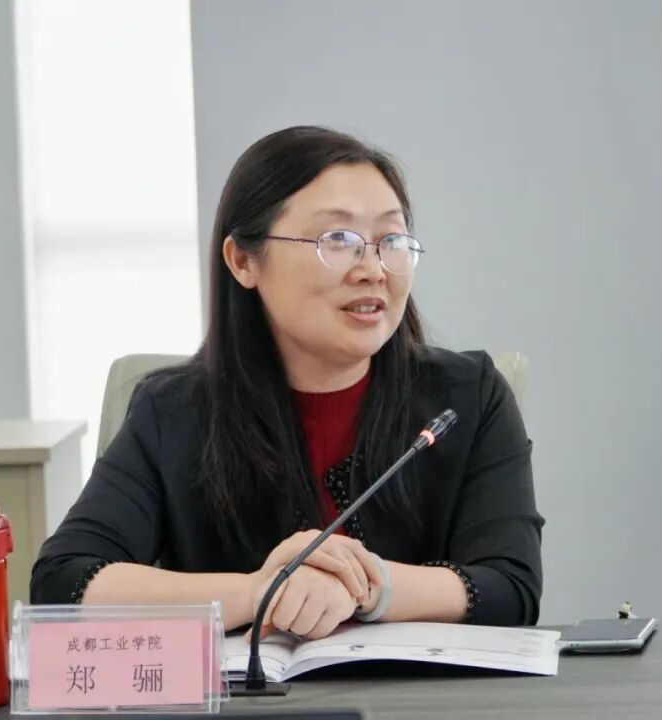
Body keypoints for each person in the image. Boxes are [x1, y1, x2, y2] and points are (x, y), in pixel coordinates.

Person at [31, 126, 543, 638]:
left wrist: (369, 586)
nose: (373, 269)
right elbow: (65, 581)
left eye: (391, 241)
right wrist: (259, 593)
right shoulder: (172, 411)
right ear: (243, 261)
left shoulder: (466, 399)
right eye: (338, 240)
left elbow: (510, 586)